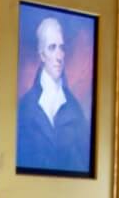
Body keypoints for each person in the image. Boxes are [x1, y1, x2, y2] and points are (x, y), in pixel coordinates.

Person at [15, 14, 92, 176]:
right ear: (42, 55)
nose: (59, 56)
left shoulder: (75, 109)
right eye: (52, 47)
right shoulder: (24, 108)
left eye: (61, 47)